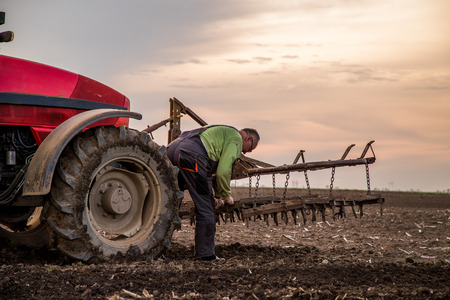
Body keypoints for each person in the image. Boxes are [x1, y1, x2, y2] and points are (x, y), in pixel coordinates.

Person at [166, 125, 259, 261]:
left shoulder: (223, 132)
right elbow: (222, 172)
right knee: (206, 207)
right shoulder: (236, 139)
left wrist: (218, 196)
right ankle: (206, 254)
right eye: (250, 148)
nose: (246, 153)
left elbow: (212, 170)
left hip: (172, 150)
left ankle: (156, 245)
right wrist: (226, 196)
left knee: (169, 203)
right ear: (248, 138)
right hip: (191, 155)